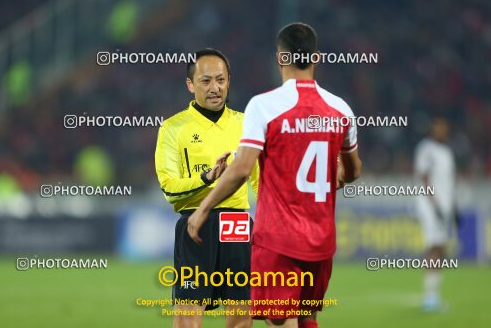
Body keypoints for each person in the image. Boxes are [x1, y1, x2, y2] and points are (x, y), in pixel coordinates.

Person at [188, 23, 362, 328]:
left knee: (280, 321)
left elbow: (242, 169)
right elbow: (353, 170)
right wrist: (338, 178)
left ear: (279, 58)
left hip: (279, 239)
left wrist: (203, 208)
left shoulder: (264, 106)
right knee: (307, 317)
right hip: (321, 241)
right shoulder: (341, 110)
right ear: (316, 57)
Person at [155, 47, 258, 328]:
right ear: (190, 85)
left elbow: (260, 182)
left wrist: (270, 223)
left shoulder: (246, 124)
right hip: (195, 225)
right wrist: (206, 178)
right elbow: (170, 188)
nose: (215, 88)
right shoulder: (173, 128)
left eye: (221, 80)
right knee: (188, 319)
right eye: (206, 80)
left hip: (237, 224)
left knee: (241, 317)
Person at [414, 116, 456, 311]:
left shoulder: (447, 152)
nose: (442, 130)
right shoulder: (427, 148)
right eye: (439, 126)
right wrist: (434, 204)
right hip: (430, 206)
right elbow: (424, 176)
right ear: (433, 128)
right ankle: (430, 298)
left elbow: (448, 183)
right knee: (435, 247)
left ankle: (433, 295)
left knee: (440, 248)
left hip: (444, 208)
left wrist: (454, 207)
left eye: (445, 127)